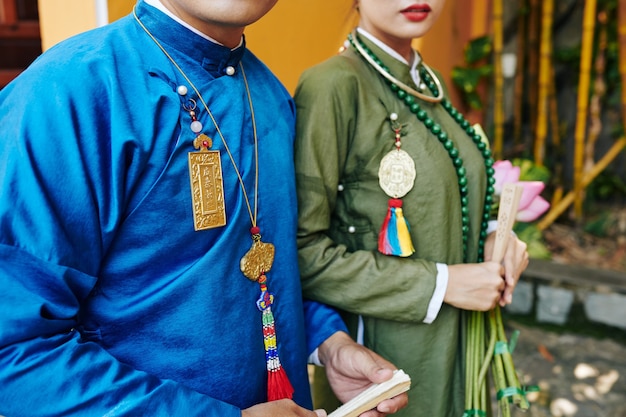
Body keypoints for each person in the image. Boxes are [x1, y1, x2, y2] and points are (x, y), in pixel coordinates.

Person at [0, 1, 409, 416]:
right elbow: (13, 355)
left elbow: (263, 266)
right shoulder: (71, 91)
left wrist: (329, 343)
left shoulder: (268, 94)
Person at [293, 1, 530, 416]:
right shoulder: (332, 86)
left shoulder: (428, 83)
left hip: (463, 351)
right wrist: (440, 284)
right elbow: (303, 254)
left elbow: (449, 200)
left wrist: (495, 235)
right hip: (385, 365)